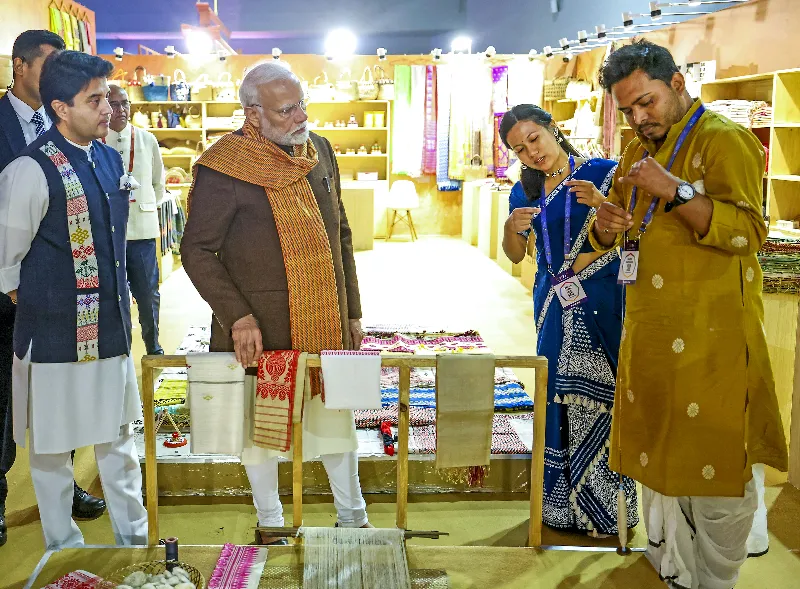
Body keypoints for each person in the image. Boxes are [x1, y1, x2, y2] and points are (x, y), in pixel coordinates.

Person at [592, 40, 787, 588]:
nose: (639, 118)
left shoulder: (728, 141)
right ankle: (674, 568)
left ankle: (717, 581)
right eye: (628, 110)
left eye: (647, 102)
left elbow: (750, 233)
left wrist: (675, 190)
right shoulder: (634, 152)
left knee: (715, 471)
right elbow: (618, 230)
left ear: (677, 83)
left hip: (711, 344)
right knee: (660, 465)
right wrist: (606, 228)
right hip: (650, 337)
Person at [180, 61, 370, 544]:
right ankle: (270, 522)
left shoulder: (319, 150)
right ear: (252, 112)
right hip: (259, 331)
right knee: (260, 435)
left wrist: (352, 312)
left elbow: (339, 235)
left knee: (335, 425)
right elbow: (197, 250)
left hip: (325, 320)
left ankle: (353, 519)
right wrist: (236, 315)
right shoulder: (223, 166)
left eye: (301, 104)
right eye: (286, 110)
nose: (299, 117)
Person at [0, 50, 148, 550]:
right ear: (61, 108)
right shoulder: (29, 169)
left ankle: (135, 547)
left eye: (106, 95)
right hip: (55, 338)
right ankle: (64, 551)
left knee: (120, 447)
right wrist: (48, 301)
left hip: (110, 331)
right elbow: (5, 260)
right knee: (51, 453)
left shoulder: (107, 157)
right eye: (95, 99)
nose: (109, 108)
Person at [500, 104, 638, 537]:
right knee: (556, 393)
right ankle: (560, 509)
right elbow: (515, 255)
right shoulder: (525, 191)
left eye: (534, 140)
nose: (531, 154)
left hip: (604, 299)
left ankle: (609, 510)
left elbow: (635, 230)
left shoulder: (603, 172)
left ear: (552, 130)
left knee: (607, 395)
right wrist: (509, 228)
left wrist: (604, 206)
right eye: (519, 150)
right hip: (553, 306)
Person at [0, 30, 105, 549]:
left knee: (52, 400)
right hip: (10, 281)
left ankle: (65, 493)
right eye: (49, 66)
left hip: (52, 295)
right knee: (5, 399)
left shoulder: (65, 128)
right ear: (21, 67)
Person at [105, 84, 165, 355]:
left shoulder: (146, 139)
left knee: (148, 293)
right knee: (113, 294)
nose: (121, 110)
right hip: (107, 232)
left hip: (141, 230)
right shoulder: (95, 140)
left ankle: (153, 346)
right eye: (114, 104)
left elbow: (157, 183)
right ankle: (121, 348)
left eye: (125, 103)